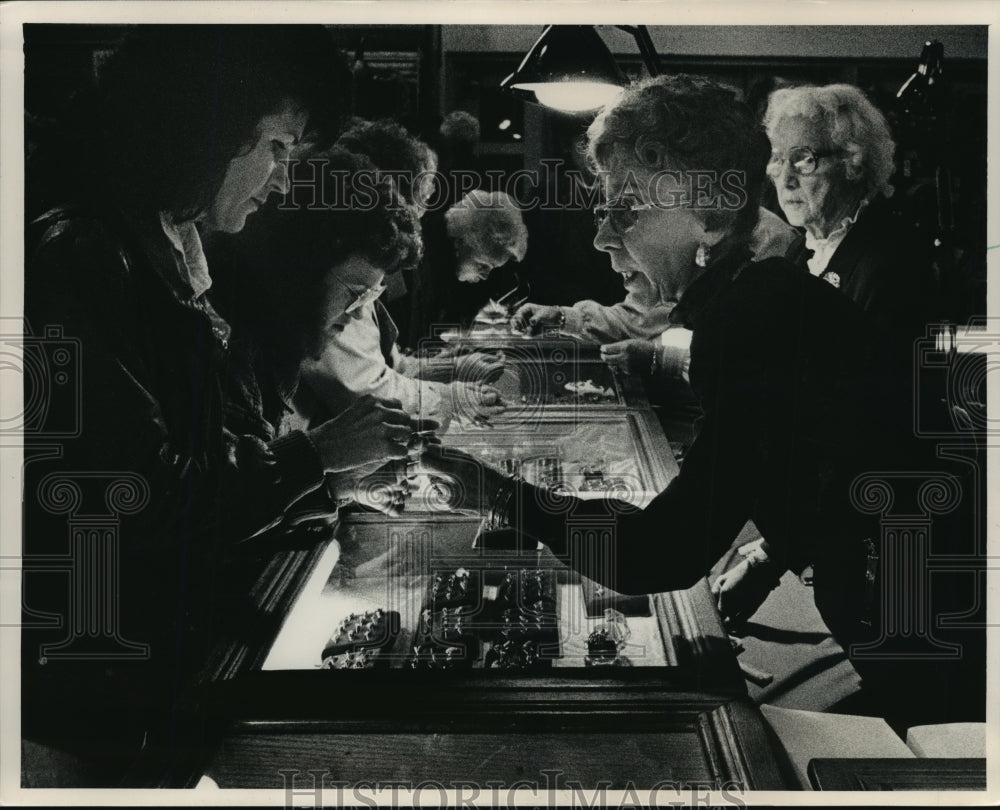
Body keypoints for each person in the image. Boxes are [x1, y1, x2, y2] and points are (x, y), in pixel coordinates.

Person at [422, 74, 981, 729]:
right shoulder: (761, 295)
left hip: (929, 623)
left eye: (626, 211)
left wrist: (498, 494)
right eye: (605, 208)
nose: (603, 237)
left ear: (713, 217)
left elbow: (659, 553)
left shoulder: (750, 316)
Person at [21, 26, 419, 786]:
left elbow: (217, 440)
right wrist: (317, 460)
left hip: (139, 688)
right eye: (277, 146)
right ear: (208, 127)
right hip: (86, 706)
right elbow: (138, 501)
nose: (280, 180)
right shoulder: (81, 257)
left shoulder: (162, 246)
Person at [282, 154, 507, 432]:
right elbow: (363, 390)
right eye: (416, 205)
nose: (417, 223)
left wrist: (453, 367)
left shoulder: (355, 280)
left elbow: (392, 365)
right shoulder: (341, 275)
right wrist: (450, 399)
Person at [763, 83, 938, 339]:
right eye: (777, 159)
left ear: (852, 162)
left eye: (804, 159)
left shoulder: (895, 260)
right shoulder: (800, 251)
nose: (786, 178)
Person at [409, 189, 529, 343]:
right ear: (462, 242)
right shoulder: (416, 266)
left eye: (492, 269)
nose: (485, 276)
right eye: (483, 265)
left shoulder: (452, 267)